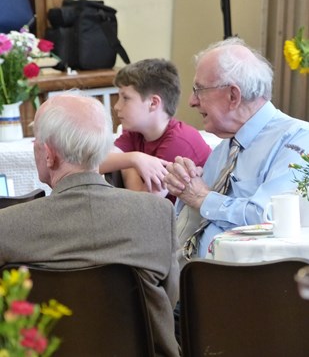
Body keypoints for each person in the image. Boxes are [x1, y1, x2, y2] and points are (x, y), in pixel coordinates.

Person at [0, 94, 180, 357]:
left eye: (36, 142)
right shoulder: (157, 213)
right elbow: (168, 299)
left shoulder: (8, 226)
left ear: (49, 154)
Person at [164, 37, 309, 260]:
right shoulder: (224, 148)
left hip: (248, 286)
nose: (192, 101)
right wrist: (183, 184)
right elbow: (197, 212)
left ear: (233, 96)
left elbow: (272, 219)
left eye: (199, 90)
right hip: (193, 279)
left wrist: (203, 197)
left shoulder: (298, 140)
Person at [100, 58, 212, 202]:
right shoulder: (135, 132)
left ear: (153, 103)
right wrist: (134, 158)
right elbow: (95, 164)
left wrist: (127, 166)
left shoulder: (179, 142)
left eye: (125, 98)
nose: (117, 106)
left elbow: (144, 205)